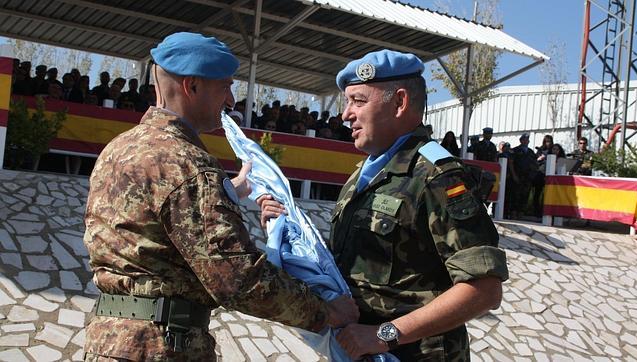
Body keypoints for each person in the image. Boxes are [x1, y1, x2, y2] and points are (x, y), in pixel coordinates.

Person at [82, 32, 358, 361]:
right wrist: (326, 310)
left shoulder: (119, 149)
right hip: (161, 346)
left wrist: (232, 192)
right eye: (225, 87)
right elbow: (237, 279)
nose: (231, 101)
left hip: (110, 341)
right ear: (192, 86)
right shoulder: (186, 163)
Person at [260, 49, 508, 361]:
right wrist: (285, 230)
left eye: (358, 101)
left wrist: (383, 335)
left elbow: (484, 290)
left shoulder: (437, 176)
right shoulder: (364, 174)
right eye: (347, 102)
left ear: (399, 102)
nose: (346, 114)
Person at [509, 133, 538, 219]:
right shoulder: (515, 150)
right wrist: (514, 175)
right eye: (524, 139)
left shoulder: (530, 152)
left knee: (525, 195)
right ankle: (513, 212)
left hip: (527, 177)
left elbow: (535, 164)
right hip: (517, 175)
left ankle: (521, 212)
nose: (526, 141)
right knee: (515, 195)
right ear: (521, 140)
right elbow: (511, 163)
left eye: (527, 139)